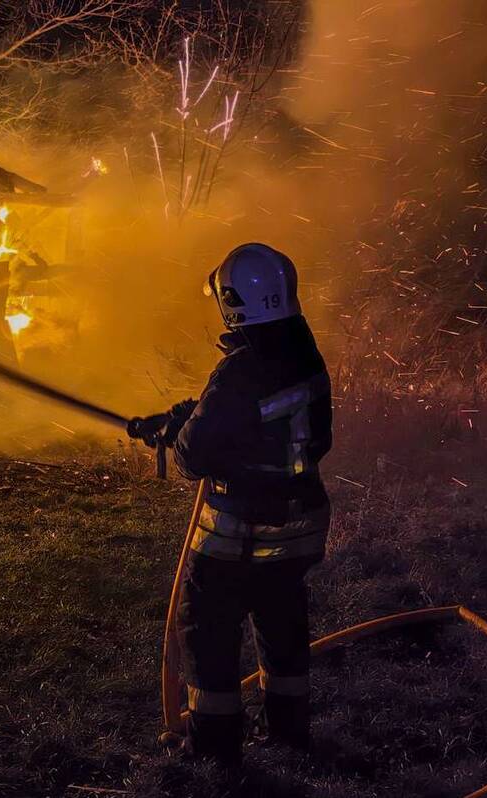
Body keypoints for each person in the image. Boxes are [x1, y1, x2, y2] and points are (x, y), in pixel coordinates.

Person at [128, 242, 333, 767]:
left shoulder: (239, 371)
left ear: (233, 304)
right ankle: (289, 732)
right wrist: (185, 415)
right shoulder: (304, 353)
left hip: (240, 533)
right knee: (281, 619)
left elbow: (193, 456)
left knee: (207, 629)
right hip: (300, 527)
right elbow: (294, 430)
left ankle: (213, 748)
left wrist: (178, 435)